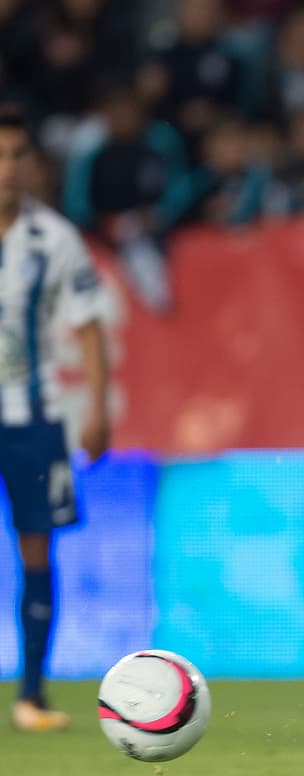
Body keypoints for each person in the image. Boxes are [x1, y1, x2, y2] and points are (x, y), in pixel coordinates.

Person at [0, 108, 110, 732]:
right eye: (0, 155)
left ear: (35, 166)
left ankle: (32, 697)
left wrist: (94, 407)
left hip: (34, 420)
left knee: (37, 550)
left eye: (18, 155)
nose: (8, 168)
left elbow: (89, 326)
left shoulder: (55, 239)